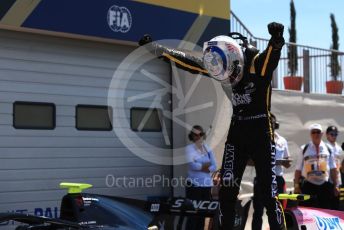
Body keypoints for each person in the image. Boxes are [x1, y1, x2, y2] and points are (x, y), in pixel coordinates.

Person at [139, 21, 286, 229]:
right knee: (226, 192)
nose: (229, 78)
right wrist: (158, 50)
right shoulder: (222, 67)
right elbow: (191, 63)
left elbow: (273, 56)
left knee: (268, 193)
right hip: (237, 131)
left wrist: (277, 40)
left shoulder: (256, 64)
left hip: (261, 129)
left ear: (239, 58)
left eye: (232, 72)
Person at [252, 113, 291, 230]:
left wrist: (283, 162)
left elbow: (288, 162)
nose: (271, 125)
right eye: (268, 122)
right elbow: (250, 160)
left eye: (272, 123)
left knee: (276, 210)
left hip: (277, 178)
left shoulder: (282, 140)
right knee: (258, 211)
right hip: (261, 177)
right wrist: (266, 161)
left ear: (276, 125)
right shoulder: (258, 139)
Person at [294, 123, 339, 209]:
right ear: (310, 134)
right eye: (313, 132)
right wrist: (296, 186)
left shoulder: (328, 148)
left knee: (325, 210)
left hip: (324, 185)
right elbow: (298, 169)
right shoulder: (304, 148)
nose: (316, 134)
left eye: (318, 132)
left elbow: (333, 168)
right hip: (308, 185)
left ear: (322, 133)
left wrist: (336, 185)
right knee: (307, 210)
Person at [185, 125, 217, 230]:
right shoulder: (188, 149)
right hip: (194, 185)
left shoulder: (208, 148)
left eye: (200, 134)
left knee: (202, 215)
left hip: (206, 186)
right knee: (192, 215)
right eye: (195, 134)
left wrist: (202, 166)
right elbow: (192, 165)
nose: (198, 136)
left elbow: (214, 166)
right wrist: (206, 166)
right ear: (192, 136)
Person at [325, 125, 343, 209]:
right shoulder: (324, 147)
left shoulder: (339, 148)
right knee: (328, 204)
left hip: (337, 179)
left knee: (337, 204)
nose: (334, 136)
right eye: (332, 134)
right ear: (327, 135)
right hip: (328, 179)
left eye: (336, 134)